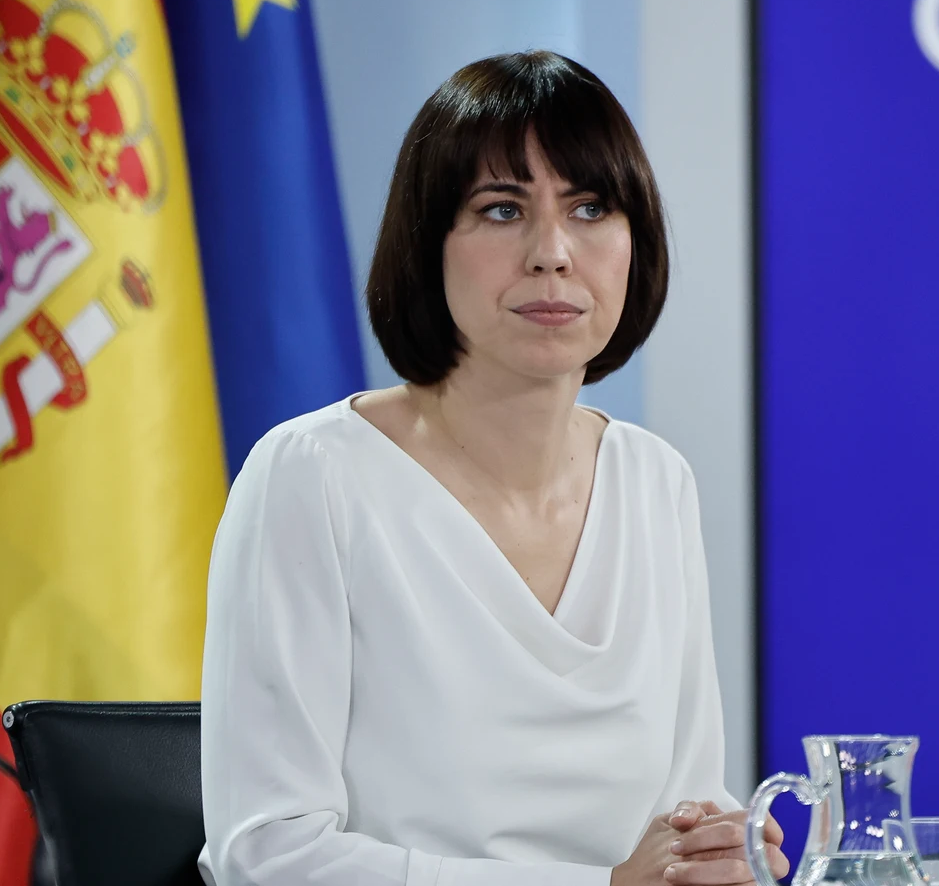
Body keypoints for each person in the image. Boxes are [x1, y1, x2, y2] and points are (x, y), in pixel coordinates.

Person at [198, 51, 786, 886]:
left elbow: (685, 806)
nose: (552, 252)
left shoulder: (655, 480)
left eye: (590, 207)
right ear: (427, 244)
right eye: (502, 209)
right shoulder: (311, 477)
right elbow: (266, 853)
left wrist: (718, 854)